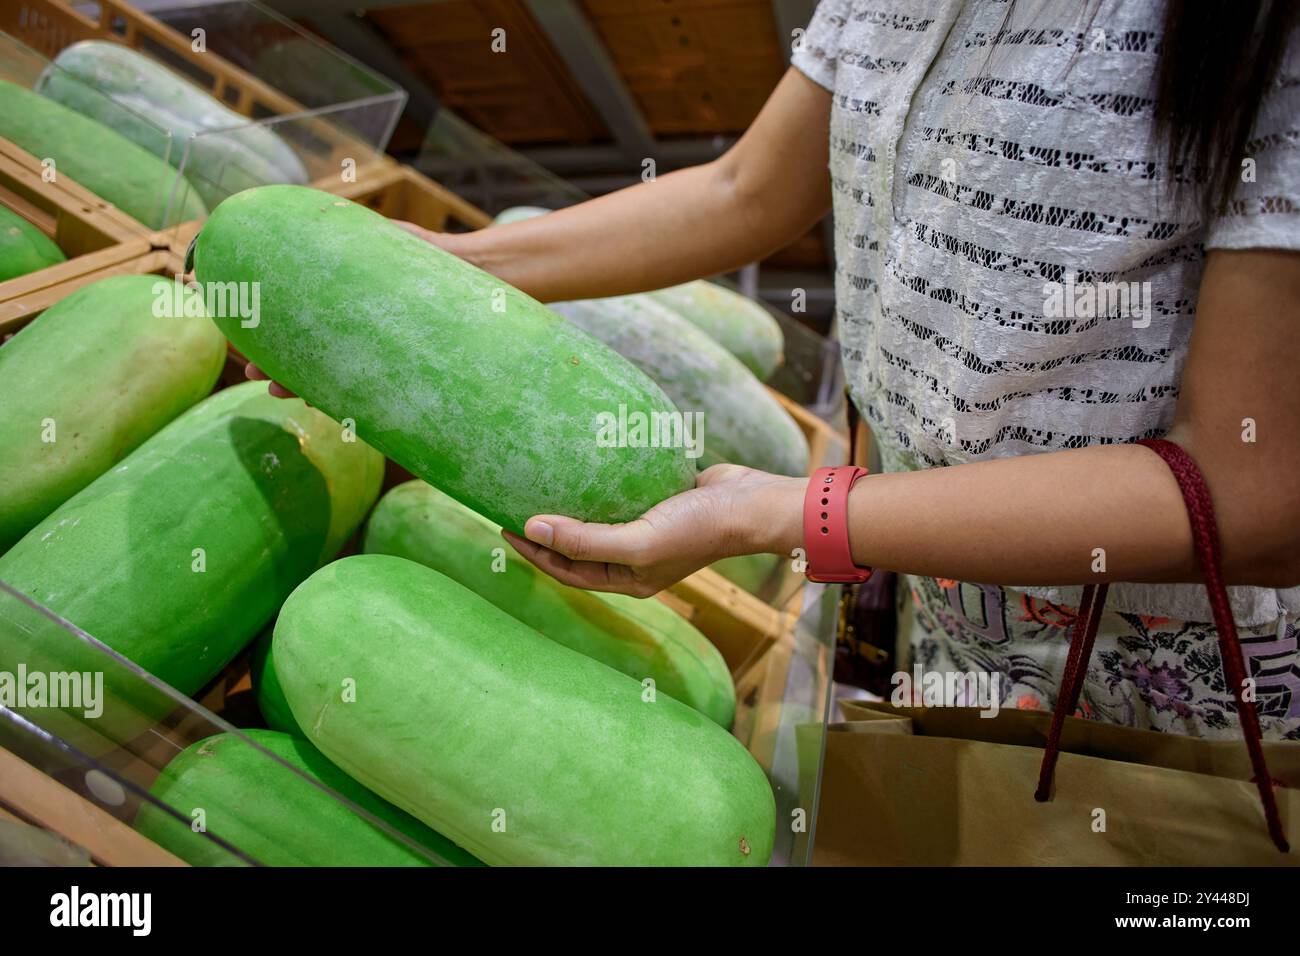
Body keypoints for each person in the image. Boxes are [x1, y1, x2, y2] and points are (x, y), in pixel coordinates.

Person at [254, 0, 1300, 739]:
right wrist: (430, 273)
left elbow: (1253, 493)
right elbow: (746, 191)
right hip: (945, 619)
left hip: (1183, 701)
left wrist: (785, 515)